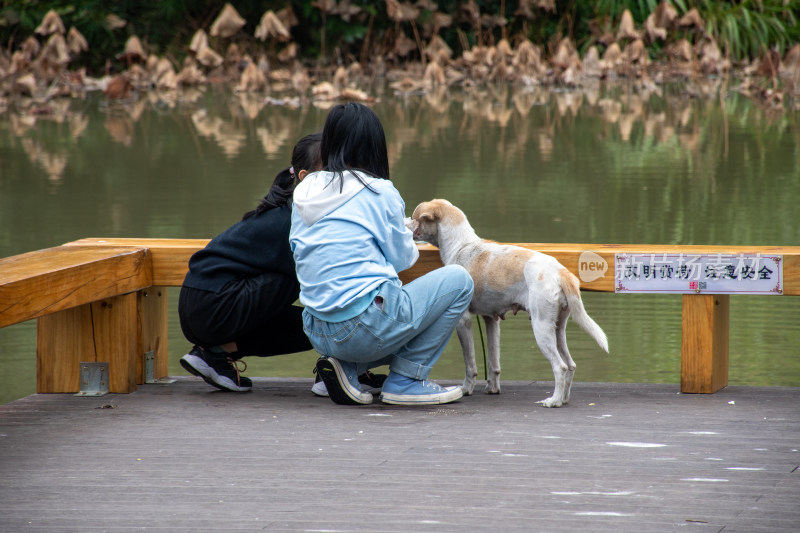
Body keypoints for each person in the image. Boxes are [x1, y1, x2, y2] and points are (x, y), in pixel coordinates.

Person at [290, 102, 474, 406]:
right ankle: (406, 380)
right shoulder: (378, 190)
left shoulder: (306, 189)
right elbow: (403, 259)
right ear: (375, 145)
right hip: (361, 329)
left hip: (316, 328)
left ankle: (344, 370)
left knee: (390, 314)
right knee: (459, 281)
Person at [178, 132, 385, 394]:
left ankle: (217, 355)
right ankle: (342, 368)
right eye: (331, 171)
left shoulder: (296, 210)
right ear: (304, 177)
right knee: (314, 290)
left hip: (203, 303)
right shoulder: (299, 218)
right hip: (214, 303)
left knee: (309, 325)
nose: (342, 178)